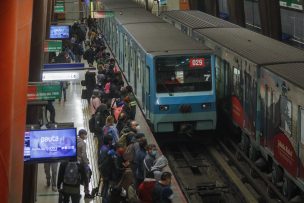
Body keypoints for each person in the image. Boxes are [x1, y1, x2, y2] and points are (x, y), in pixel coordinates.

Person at [76, 129, 94, 198]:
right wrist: (86, 162)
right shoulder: (83, 143)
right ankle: (86, 192)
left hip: (74, 162)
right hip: (81, 163)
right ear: (81, 134)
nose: (85, 136)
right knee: (87, 176)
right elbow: (83, 155)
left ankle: (77, 192)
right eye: (85, 134)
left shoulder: (75, 140)